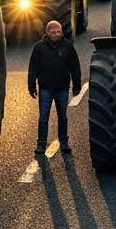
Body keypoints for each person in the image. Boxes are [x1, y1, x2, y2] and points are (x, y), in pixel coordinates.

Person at [28, 20, 82, 154]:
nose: (56, 34)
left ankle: (64, 142)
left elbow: (75, 67)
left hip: (62, 89)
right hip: (45, 89)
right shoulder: (39, 47)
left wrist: (77, 86)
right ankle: (41, 144)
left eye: (58, 32)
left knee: (62, 116)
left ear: (61, 32)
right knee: (43, 117)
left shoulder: (68, 47)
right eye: (53, 32)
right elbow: (33, 68)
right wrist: (31, 86)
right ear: (47, 32)